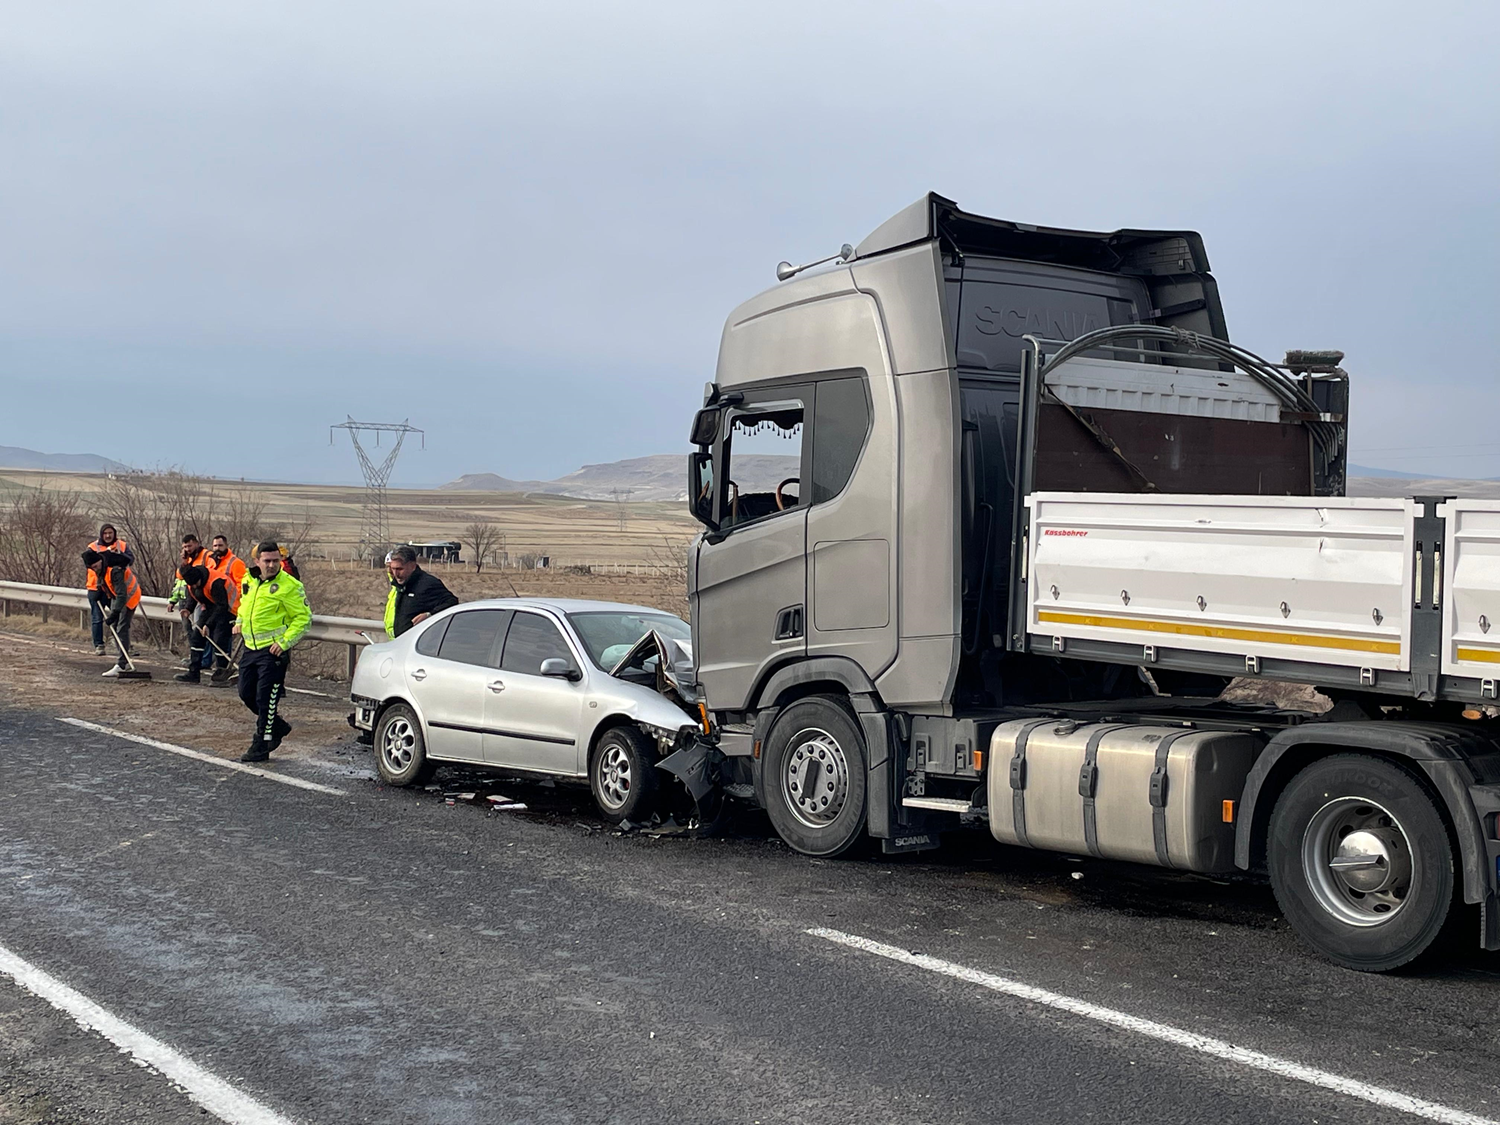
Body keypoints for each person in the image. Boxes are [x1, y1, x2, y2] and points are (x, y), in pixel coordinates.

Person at [233, 540, 311, 762]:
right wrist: (239, 621)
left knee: (266, 699)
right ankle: (277, 726)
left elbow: (303, 619)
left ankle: (262, 744)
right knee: (246, 693)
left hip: (273, 652)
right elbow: (244, 605)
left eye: (276, 560)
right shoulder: (249, 579)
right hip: (250, 648)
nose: (272, 565)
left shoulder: (290, 585)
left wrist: (284, 643)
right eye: (267, 561)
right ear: (257, 561)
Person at [173, 563, 238, 685]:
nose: (194, 586)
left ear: (200, 579)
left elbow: (222, 606)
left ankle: (221, 673)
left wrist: (208, 625)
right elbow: (194, 596)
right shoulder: (191, 582)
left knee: (219, 639)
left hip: (229, 609)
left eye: (196, 584)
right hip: (211, 606)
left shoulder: (215, 582)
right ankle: (193, 673)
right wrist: (188, 609)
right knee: (196, 637)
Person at [82, 547, 141, 677]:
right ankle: (123, 660)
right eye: (92, 568)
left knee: (121, 628)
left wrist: (114, 613)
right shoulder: (100, 567)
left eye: (95, 566)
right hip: (117, 596)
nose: (94, 569)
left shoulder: (115, 570)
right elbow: (103, 581)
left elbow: (122, 594)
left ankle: (122, 664)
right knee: (115, 627)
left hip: (129, 596)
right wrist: (98, 590)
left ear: (99, 561)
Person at [384, 545, 459, 639]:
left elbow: (452, 602)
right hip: (400, 642)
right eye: (393, 569)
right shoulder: (399, 585)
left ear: (412, 566)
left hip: (420, 643)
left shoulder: (428, 583)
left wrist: (429, 614)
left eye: (400, 569)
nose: (396, 574)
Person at [84, 524, 133, 655]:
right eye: (105, 533)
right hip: (95, 587)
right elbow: (88, 565)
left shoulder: (121, 545)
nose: (108, 535)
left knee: (118, 616)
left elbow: (130, 560)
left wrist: (119, 558)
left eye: (110, 533)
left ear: (114, 533)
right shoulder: (92, 547)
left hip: (112, 587)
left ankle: (121, 643)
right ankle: (99, 645)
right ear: (101, 534)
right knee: (97, 617)